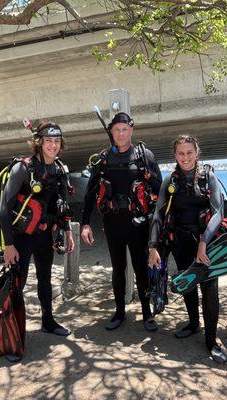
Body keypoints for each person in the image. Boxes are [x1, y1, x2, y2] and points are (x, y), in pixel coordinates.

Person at [148, 134, 226, 364]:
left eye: (189, 152)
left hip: (206, 242)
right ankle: (193, 324)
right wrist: (153, 246)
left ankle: (212, 340)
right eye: (181, 153)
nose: (185, 157)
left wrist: (204, 242)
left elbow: (219, 212)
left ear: (197, 153)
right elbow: (158, 214)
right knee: (188, 285)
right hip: (180, 240)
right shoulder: (169, 181)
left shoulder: (208, 177)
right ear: (175, 155)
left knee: (210, 290)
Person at [81, 112, 162, 331]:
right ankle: (119, 312)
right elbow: (89, 193)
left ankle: (147, 314)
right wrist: (85, 223)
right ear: (111, 132)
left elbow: (160, 194)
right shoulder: (103, 158)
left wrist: (159, 226)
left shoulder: (144, 156)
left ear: (131, 130)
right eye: (117, 129)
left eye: (125, 129)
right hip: (113, 221)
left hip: (138, 224)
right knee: (118, 268)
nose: (121, 133)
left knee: (141, 267)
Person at [0, 121, 75, 338]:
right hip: (20, 238)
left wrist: (67, 231)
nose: (53, 145)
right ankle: (10, 332)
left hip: (44, 236)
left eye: (57, 141)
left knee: (45, 278)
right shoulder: (23, 168)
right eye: (49, 141)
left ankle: (48, 322)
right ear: (39, 142)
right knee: (17, 284)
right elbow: (5, 208)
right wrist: (9, 245)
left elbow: (62, 205)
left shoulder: (59, 169)